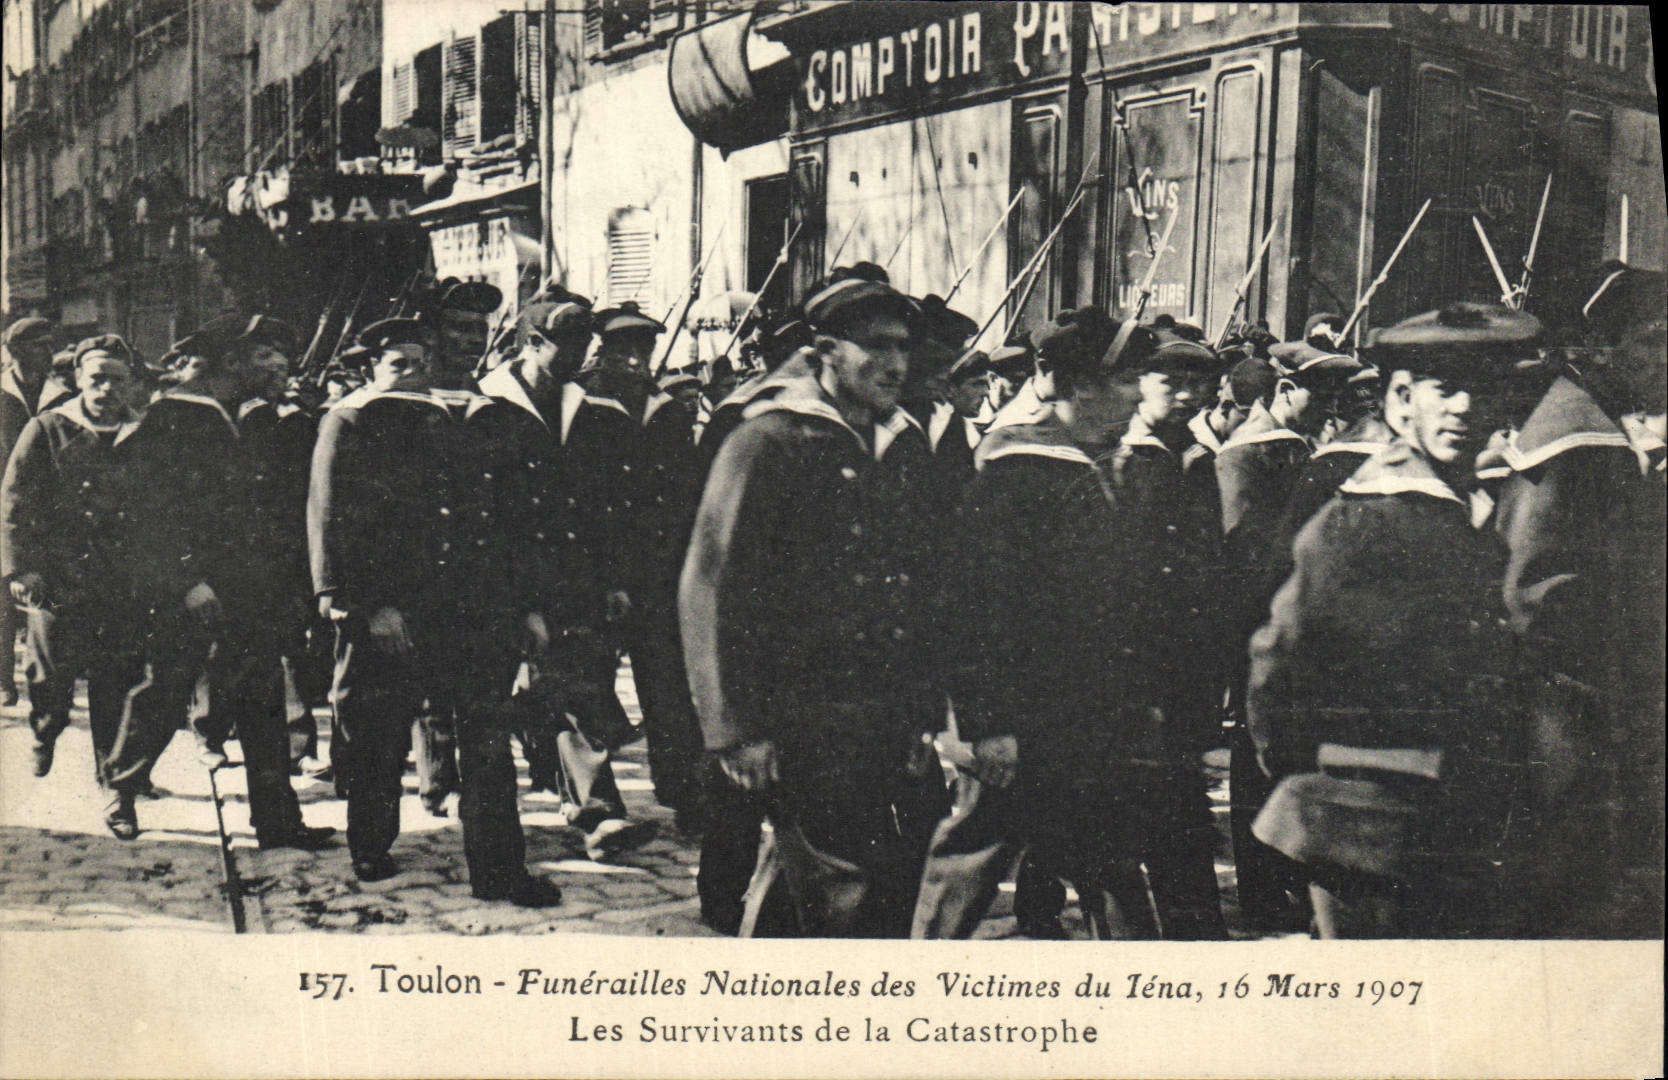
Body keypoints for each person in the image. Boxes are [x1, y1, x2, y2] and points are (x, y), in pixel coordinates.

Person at [1246, 302, 1540, 938]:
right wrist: (1310, 773)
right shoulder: (1360, 518)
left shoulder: (1479, 511)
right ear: (1402, 401)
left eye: (1482, 389)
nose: (1464, 406)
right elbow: (1280, 656)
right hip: (1361, 819)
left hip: (1453, 815)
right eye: (1445, 388)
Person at [681, 275, 941, 937]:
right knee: (840, 887)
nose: (895, 364)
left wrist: (920, 710)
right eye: (874, 347)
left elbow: (917, 584)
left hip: (882, 711)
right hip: (800, 714)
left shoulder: (901, 444)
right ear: (824, 351)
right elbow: (712, 586)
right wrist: (733, 728)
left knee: (863, 879)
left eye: (904, 348)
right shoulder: (769, 440)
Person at [913, 309, 1175, 939]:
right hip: (1024, 730)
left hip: (1095, 724)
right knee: (968, 870)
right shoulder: (1015, 474)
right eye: (1126, 380)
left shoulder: (1106, 467)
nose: (1140, 393)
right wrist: (987, 725)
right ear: (1080, 386)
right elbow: (973, 609)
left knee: (1114, 871)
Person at [309, 317, 554, 899]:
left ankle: (498, 869)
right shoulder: (353, 420)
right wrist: (363, 605)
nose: (415, 375)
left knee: (489, 744)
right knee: (380, 735)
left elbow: (515, 522)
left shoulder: (484, 418)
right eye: (400, 364)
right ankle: (370, 845)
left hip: (477, 614)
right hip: (396, 613)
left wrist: (528, 606)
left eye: (423, 362)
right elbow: (332, 517)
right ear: (370, 368)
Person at [1493, 264, 1666, 933]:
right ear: (1600, 347)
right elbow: (1539, 592)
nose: (1666, 360)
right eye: (1653, 342)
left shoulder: (1579, 419)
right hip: (1570, 713)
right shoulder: (1583, 441)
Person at [122, 315, 336, 850]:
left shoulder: (266, 420)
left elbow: (288, 508)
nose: (279, 368)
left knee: (264, 701)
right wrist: (186, 581)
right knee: (166, 692)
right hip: (189, 590)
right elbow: (149, 514)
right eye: (265, 357)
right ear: (231, 361)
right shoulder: (170, 418)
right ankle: (121, 789)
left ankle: (277, 821)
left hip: (256, 591)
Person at [475, 297, 656, 861]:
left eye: (585, 345)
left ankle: (596, 812)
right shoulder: (484, 406)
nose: (580, 356)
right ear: (530, 343)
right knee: (500, 703)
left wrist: (615, 579)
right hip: (500, 579)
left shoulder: (592, 409)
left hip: (574, 580)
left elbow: (607, 505)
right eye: (565, 345)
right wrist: (516, 598)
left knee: (577, 688)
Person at [1216, 336, 1360, 930]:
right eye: (1319, 396)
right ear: (1283, 392)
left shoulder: (1296, 451)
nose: (1329, 409)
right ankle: (1258, 891)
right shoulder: (1248, 456)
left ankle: (1280, 881)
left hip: (1288, 632)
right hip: (1258, 633)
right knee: (1255, 763)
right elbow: (1242, 561)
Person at [2, 338, 149, 828]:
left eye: (117, 379)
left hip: (121, 584)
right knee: (49, 678)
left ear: (132, 383)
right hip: (58, 580)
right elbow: (15, 502)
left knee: (118, 686)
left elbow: (165, 509)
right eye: (96, 379)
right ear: (79, 381)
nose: (106, 389)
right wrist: (20, 570)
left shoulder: (145, 434)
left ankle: (117, 792)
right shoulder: (47, 428)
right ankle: (45, 731)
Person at [1, 316, 59, 707]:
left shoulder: (60, 393)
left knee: (45, 594)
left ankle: (47, 684)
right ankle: (4, 678)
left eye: (49, 344)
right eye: (39, 344)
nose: (48, 352)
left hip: (48, 507)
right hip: (1, 505)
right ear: (15, 349)